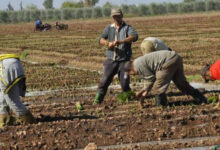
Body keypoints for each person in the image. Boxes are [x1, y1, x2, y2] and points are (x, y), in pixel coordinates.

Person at [126, 50, 207, 106]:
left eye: (131, 74)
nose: (133, 75)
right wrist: (144, 93)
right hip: (175, 57)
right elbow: (149, 81)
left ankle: (162, 105)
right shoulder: (138, 62)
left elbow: (151, 79)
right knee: (181, 84)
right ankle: (201, 98)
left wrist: (141, 92)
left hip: (167, 61)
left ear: (131, 69)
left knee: (157, 88)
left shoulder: (137, 66)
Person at [93, 8, 138, 104]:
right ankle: (97, 101)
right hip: (111, 61)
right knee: (104, 82)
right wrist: (107, 43)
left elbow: (134, 36)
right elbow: (100, 39)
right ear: (112, 17)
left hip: (124, 61)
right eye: (114, 16)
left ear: (121, 16)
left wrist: (121, 41)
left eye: (118, 16)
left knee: (125, 83)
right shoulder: (109, 28)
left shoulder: (128, 28)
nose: (116, 18)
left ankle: (128, 100)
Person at [0, 54, 35, 128]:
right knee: (4, 94)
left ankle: (28, 119)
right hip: (14, 62)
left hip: (5, 66)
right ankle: (4, 118)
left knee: (11, 98)